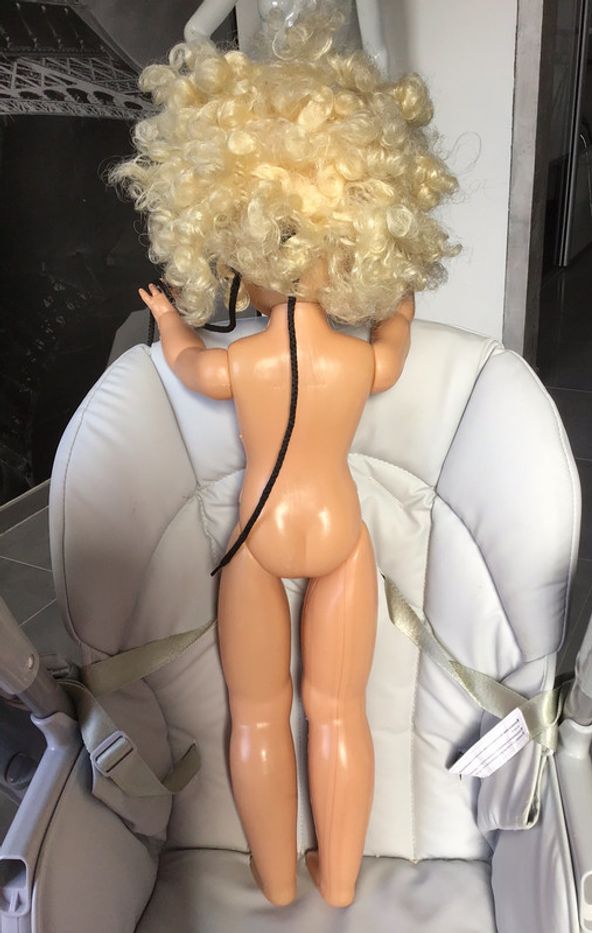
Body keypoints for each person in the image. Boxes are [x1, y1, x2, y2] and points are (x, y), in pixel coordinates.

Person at [110, 13, 457, 907]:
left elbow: (191, 365)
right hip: (339, 532)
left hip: (256, 538)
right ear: (357, 241)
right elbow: (393, 351)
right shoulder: (354, 362)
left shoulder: (247, 364)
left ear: (234, 249)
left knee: (258, 714)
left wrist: (170, 318)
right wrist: (400, 309)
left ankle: (272, 879)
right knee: (339, 711)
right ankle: (338, 881)